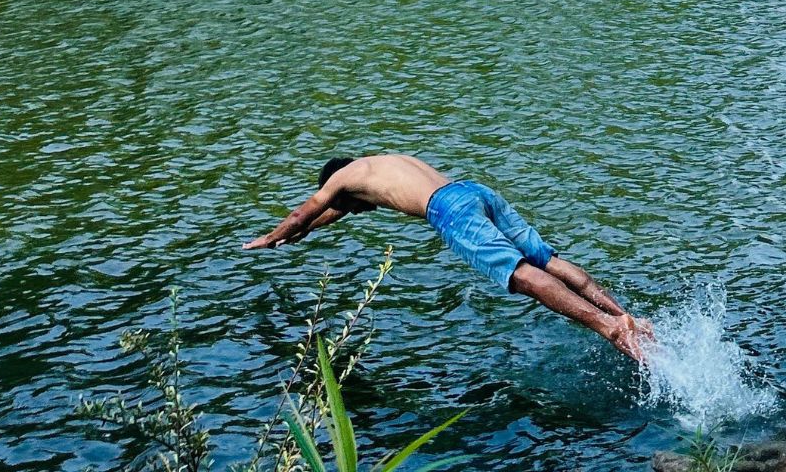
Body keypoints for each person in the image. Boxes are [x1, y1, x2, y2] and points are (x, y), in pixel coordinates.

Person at [243, 154, 653, 361]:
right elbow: (329, 215)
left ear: (336, 182)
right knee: (547, 259)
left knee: (521, 275)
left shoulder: (339, 180)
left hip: (449, 211)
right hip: (472, 191)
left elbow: (303, 213)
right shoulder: (377, 165)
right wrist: (299, 235)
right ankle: (626, 316)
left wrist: (271, 237)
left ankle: (612, 329)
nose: (355, 212)